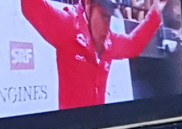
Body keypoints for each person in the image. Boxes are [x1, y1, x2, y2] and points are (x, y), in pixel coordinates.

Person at [21, 0, 168, 110]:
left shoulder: (109, 41)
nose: (107, 25)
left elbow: (132, 45)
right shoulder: (68, 27)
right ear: (88, 7)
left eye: (110, 18)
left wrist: (155, 12)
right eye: (103, 16)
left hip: (97, 126)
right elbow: (31, 7)